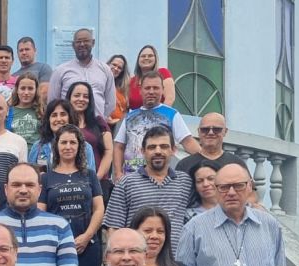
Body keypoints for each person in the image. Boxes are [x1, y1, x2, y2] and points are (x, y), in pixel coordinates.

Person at [104, 125, 195, 253]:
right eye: (152, 147)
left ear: (173, 150)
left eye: (164, 146)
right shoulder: (126, 183)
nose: (158, 151)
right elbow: (114, 227)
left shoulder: (185, 182)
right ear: (143, 151)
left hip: (175, 260)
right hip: (137, 260)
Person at [38, 125, 104, 266]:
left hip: (88, 246)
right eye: (64, 142)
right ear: (56, 146)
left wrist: (87, 237)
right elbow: (41, 214)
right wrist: (59, 242)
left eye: (73, 142)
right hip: (56, 247)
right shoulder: (46, 178)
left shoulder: (90, 175)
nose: (68, 146)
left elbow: (99, 209)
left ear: (80, 146)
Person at [113, 71, 200, 179]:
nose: (151, 91)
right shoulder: (129, 117)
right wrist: (118, 173)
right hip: (131, 178)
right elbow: (119, 146)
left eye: (155, 88)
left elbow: (188, 141)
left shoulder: (171, 114)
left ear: (162, 90)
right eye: (147, 88)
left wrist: (208, 159)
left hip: (161, 179)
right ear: (140, 90)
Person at [48, 28, 116, 119]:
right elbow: (53, 102)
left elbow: (110, 103)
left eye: (86, 41)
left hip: (96, 124)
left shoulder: (105, 69)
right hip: (69, 124)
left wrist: (100, 120)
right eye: (78, 41)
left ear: (93, 43)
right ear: (73, 45)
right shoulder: (60, 71)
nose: (82, 44)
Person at [66, 81, 113, 188]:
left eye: (85, 96)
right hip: (69, 183)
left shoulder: (99, 122)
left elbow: (108, 151)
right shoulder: (64, 124)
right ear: (69, 98)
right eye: (77, 95)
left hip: (99, 182)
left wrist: (97, 177)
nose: (81, 99)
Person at [28, 100, 94, 172]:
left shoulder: (85, 147)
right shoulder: (38, 147)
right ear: (48, 120)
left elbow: (89, 176)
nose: (59, 119)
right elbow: (30, 174)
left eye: (63, 114)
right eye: (54, 115)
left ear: (70, 117)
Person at [175, 112, 247, 175]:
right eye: (205, 129)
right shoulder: (184, 165)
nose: (210, 132)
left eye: (216, 129)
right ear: (199, 132)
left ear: (225, 131)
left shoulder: (236, 163)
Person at [128, 44, 175, 110]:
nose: (146, 58)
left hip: (160, 115)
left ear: (155, 59)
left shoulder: (163, 73)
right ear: (138, 60)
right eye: (143, 56)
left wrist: (160, 114)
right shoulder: (131, 81)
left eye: (150, 56)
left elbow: (170, 98)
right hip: (136, 116)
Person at [7, 73, 42, 153]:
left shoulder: (42, 111)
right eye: (23, 88)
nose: (26, 92)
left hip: (36, 156)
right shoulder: (8, 112)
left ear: (36, 90)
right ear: (17, 90)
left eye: (30, 88)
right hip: (15, 154)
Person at [107, 55, 130, 130]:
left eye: (119, 68)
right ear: (108, 64)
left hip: (121, 126)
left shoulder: (123, 88)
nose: (116, 68)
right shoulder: (100, 84)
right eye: (114, 65)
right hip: (106, 127)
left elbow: (126, 109)